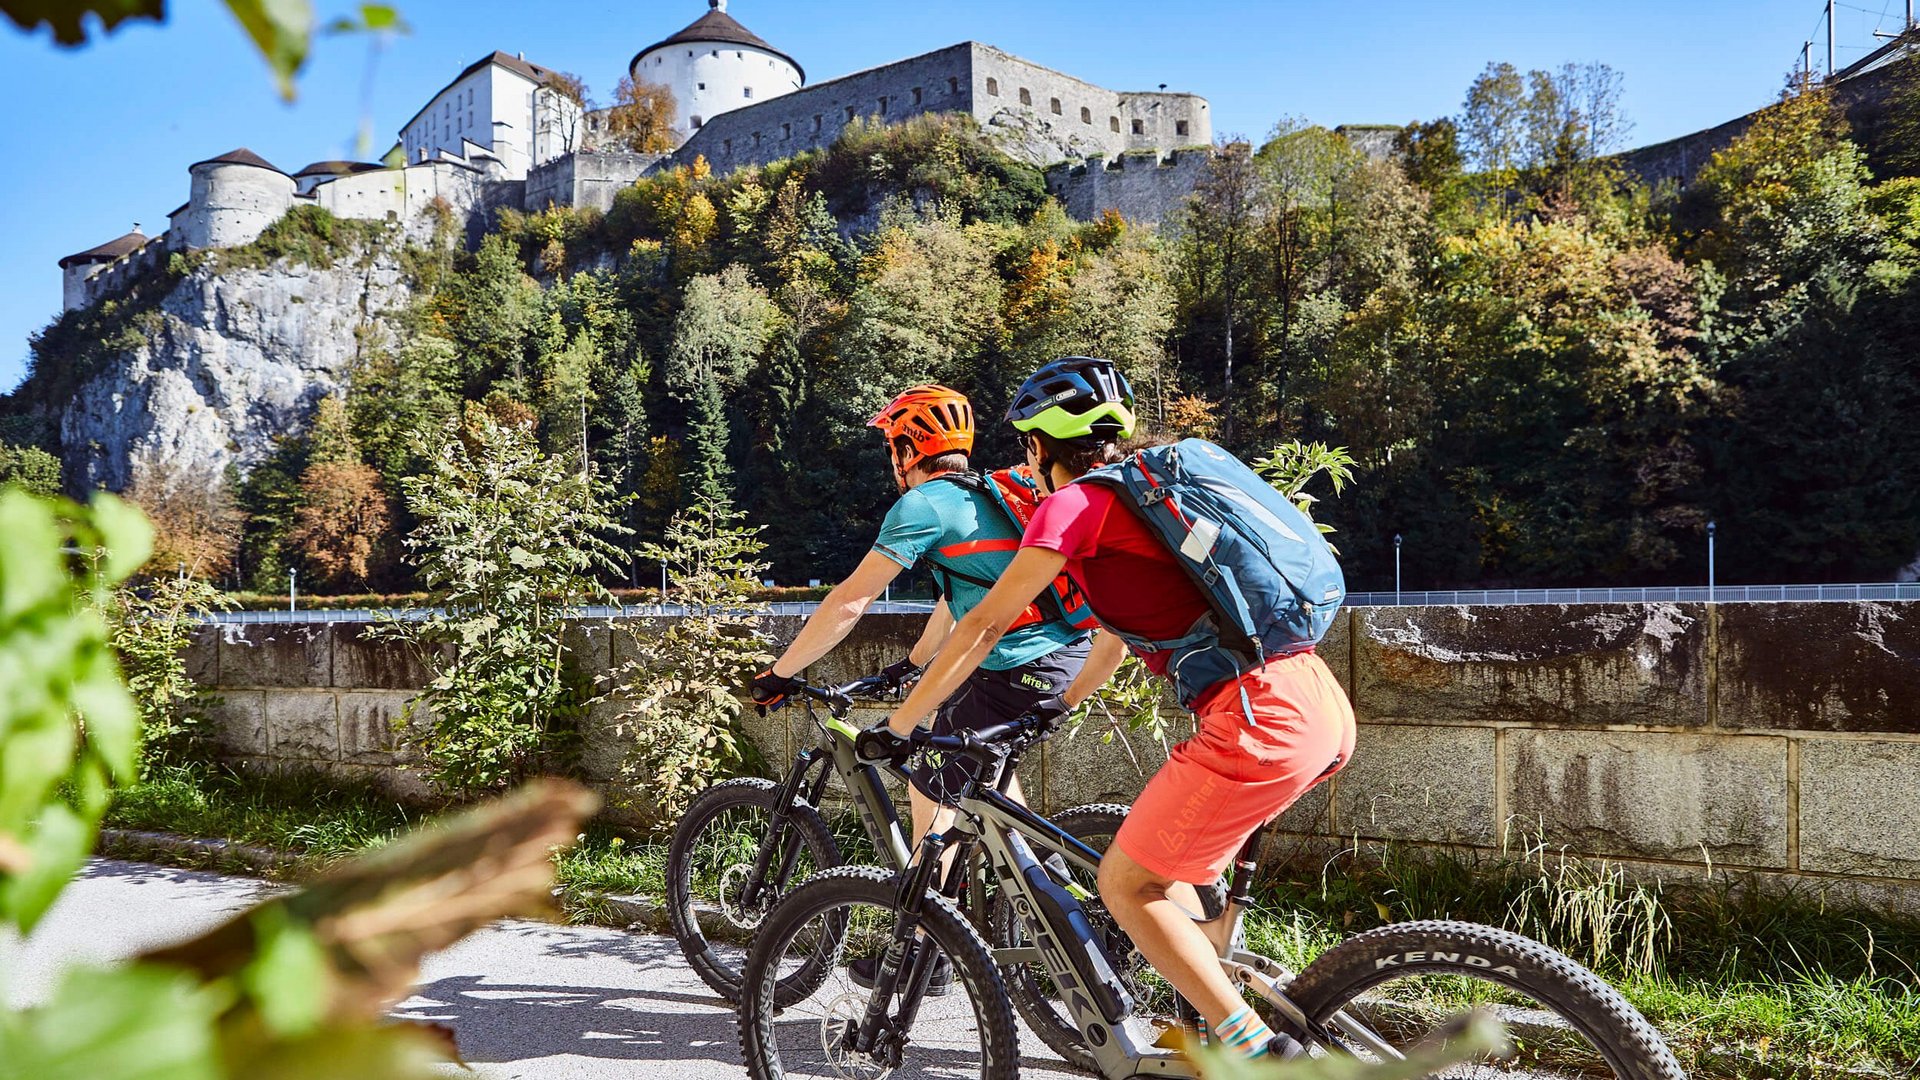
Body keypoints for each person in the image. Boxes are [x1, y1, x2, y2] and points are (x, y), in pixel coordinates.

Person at [866, 357, 1356, 1056]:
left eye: (1026, 449)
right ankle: (1215, 988)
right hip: (1312, 694)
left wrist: (902, 725)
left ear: (1038, 447)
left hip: (1256, 718)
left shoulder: (1074, 506)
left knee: (1124, 884)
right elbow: (1112, 638)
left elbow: (983, 625)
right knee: (1175, 879)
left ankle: (1253, 1050)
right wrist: (1060, 702)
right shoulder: (1148, 492)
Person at [749, 383, 1127, 989]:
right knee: (1002, 808)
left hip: (1017, 667)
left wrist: (781, 673)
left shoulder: (922, 505)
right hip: (1067, 658)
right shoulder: (992, 494)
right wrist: (915, 664)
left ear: (908, 449)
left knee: (928, 778)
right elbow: (965, 593)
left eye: (892, 448)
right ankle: (1043, 908)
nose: (890, 461)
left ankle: (927, 947)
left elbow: (851, 600)